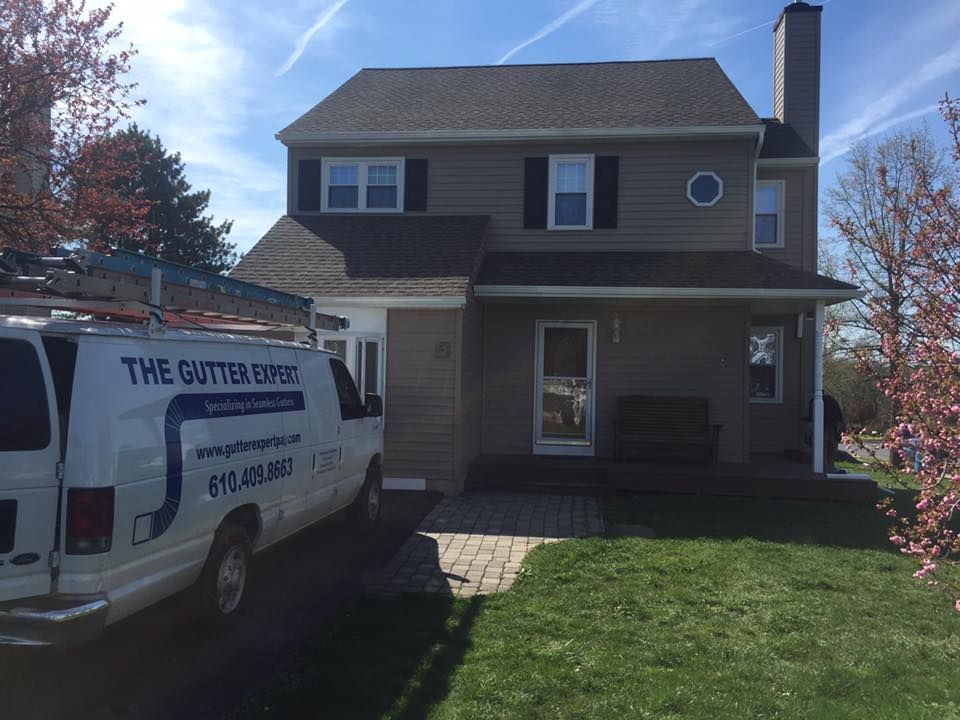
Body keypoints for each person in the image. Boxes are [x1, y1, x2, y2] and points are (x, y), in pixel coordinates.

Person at [808, 393, 845, 472]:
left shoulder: (814, 401)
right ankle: (830, 468)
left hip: (824, 429)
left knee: (822, 451)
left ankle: (825, 469)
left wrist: (811, 432)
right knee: (831, 451)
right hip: (832, 429)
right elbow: (840, 420)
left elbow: (811, 419)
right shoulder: (832, 401)